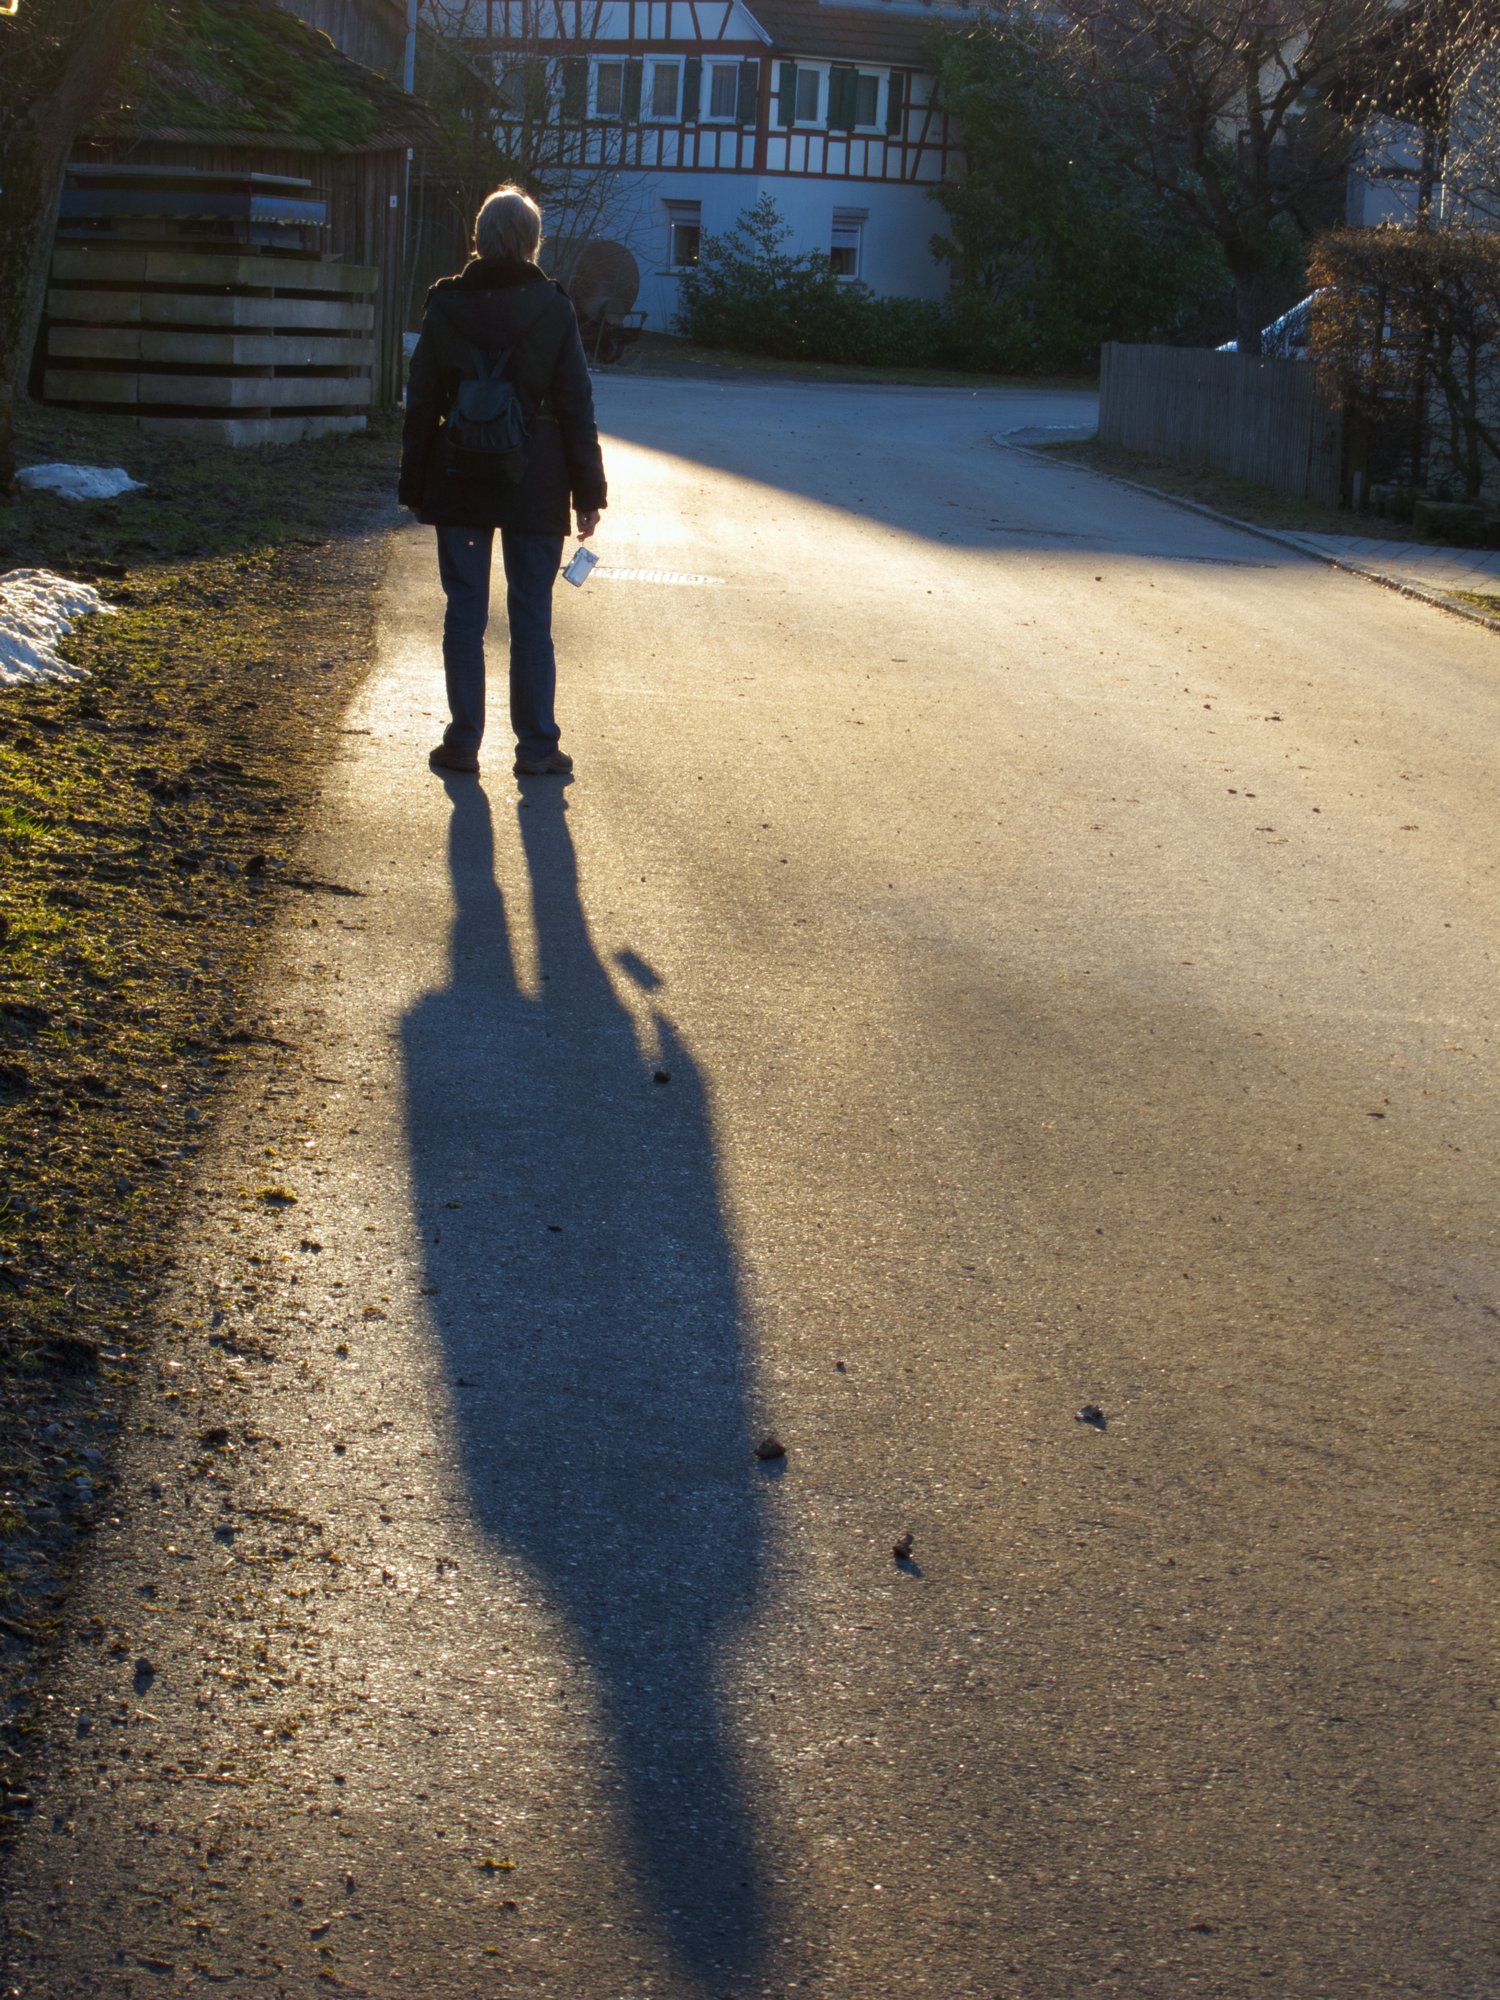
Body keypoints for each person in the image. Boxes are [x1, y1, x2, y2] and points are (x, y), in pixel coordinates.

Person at [399, 184, 607, 778]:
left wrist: (414, 487)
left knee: (464, 609)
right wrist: (588, 494)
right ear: (532, 241)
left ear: (479, 238)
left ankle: (463, 742)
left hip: (460, 473)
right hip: (536, 478)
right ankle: (537, 746)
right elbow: (575, 404)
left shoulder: (445, 304)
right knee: (531, 615)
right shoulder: (554, 307)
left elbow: (421, 404)